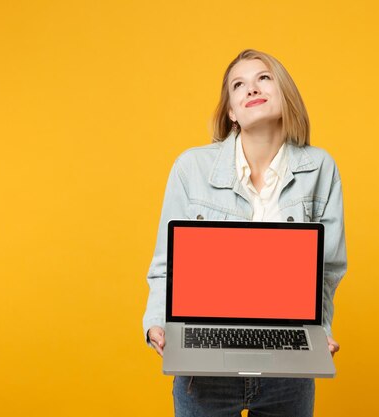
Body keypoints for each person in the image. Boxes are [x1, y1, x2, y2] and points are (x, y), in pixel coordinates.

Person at [143, 49, 347, 417]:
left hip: (287, 367)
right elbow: (166, 265)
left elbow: (327, 269)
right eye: (238, 84)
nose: (251, 87)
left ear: (286, 94)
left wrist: (318, 332)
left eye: (264, 78)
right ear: (232, 112)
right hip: (204, 367)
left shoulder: (320, 168)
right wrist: (157, 323)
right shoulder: (191, 168)